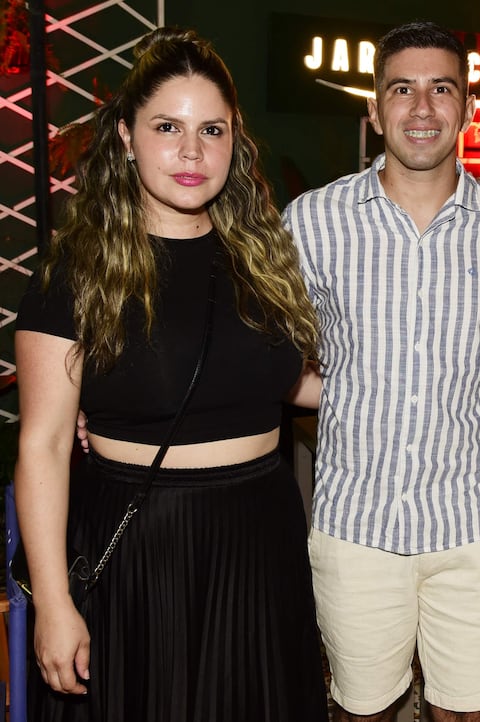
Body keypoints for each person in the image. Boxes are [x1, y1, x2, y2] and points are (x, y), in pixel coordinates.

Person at [14, 27, 328, 722]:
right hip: (140, 551)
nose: (191, 151)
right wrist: (55, 603)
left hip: (261, 539)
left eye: (211, 129)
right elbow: (41, 445)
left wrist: (404, 387)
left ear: (234, 142)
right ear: (126, 136)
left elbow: (279, 382)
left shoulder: (262, 258)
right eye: (167, 127)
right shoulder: (76, 275)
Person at [283, 21, 480, 722]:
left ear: (468, 109)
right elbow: (273, 356)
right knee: (362, 710)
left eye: (441, 89)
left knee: (476, 712)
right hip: (357, 522)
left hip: (474, 520)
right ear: (373, 109)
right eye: (402, 88)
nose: (422, 107)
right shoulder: (311, 222)